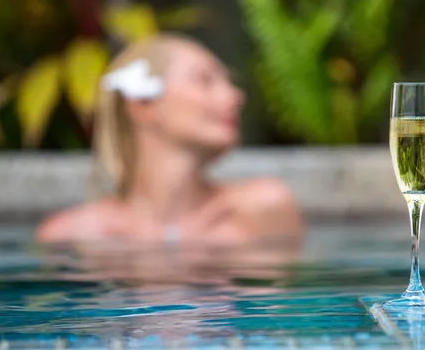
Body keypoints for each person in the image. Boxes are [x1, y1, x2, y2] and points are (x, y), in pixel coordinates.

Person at [36, 34, 304, 246]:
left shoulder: (264, 210)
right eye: (205, 80)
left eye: (229, 82)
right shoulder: (74, 237)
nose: (235, 97)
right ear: (143, 104)